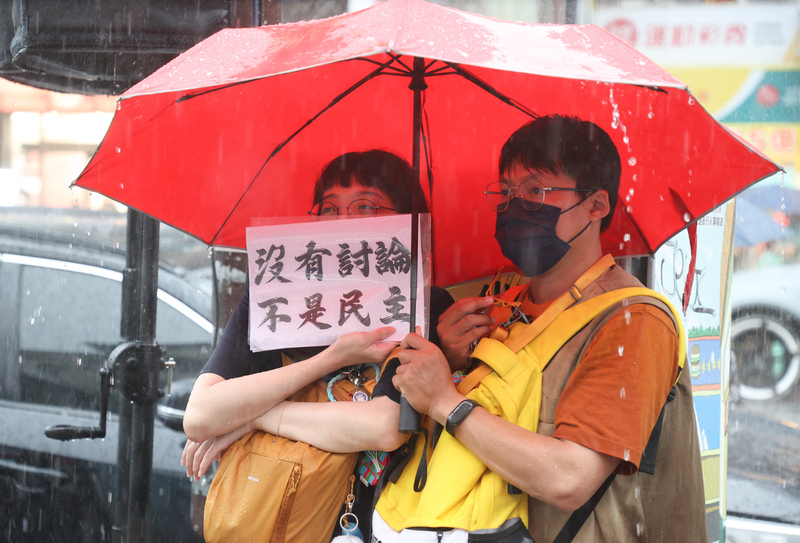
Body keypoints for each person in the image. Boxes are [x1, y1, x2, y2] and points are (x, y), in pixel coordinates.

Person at [372, 115, 706, 542]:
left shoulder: (633, 319)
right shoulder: (500, 299)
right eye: (506, 192)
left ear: (596, 206)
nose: (515, 206)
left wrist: (445, 401)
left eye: (536, 191)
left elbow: (570, 478)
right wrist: (452, 359)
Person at [181, 149, 455, 539]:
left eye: (366, 206)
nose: (343, 222)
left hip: (377, 522)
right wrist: (331, 359)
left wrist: (252, 416)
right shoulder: (271, 299)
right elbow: (201, 415)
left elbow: (383, 424)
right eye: (329, 209)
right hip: (273, 520)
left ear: (406, 220)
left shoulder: (425, 306)